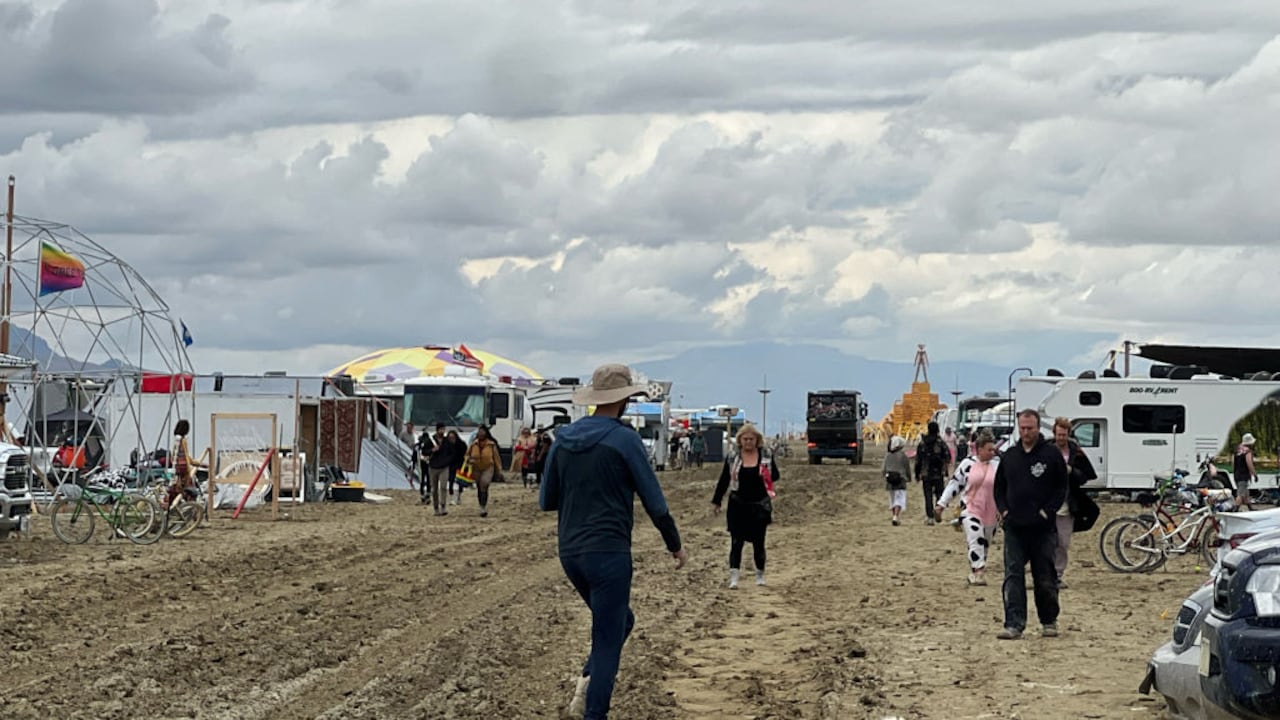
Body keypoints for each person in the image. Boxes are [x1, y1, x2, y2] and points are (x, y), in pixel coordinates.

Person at [539, 363, 686, 720]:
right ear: (624, 401)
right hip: (609, 553)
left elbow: (547, 501)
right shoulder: (625, 440)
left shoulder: (563, 440)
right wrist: (674, 543)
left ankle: (586, 683)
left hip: (570, 551)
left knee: (621, 622)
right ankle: (594, 712)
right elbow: (655, 501)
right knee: (607, 639)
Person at [993, 409, 1068, 640]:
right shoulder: (1010, 456)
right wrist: (1004, 510)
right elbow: (999, 488)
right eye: (1023, 428)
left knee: (1044, 576)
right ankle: (1014, 623)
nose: (1026, 432)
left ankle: (1048, 620)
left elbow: (1061, 487)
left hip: (1042, 529)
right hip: (1015, 527)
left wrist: (1048, 511)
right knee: (1013, 575)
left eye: (1030, 428)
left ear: (1038, 428)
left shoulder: (1051, 454)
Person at [711, 424, 778, 588]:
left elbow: (775, 475)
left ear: (757, 441)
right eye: (745, 439)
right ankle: (734, 577)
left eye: (751, 439)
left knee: (759, 542)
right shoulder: (733, 456)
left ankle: (760, 575)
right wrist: (717, 500)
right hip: (737, 505)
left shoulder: (766, 455)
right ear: (740, 440)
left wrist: (766, 474)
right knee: (736, 542)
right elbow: (724, 479)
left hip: (759, 505)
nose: (748, 442)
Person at [937, 432, 999, 585]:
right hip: (970, 508)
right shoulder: (968, 464)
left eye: (993, 450)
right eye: (989, 450)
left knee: (985, 542)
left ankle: (975, 569)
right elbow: (955, 484)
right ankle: (979, 572)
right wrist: (941, 504)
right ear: (979, 449)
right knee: (975, 537)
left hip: (991, 511)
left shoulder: (998, 465)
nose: (992, 453)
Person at [1050, 417, 1097, 589]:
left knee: (1063, 542)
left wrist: (1072, 472)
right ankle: (1044, 574)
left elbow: (1088, 475)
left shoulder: (1076, 451)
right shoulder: (1046, 449)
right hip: (1047, 504)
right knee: (1046, 542)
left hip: (1069, 503)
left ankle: (1057, 575)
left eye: (1064, 435)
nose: (1061, 438)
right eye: (1058, 435)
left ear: (1068, 434)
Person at [915, 421, 951, 525]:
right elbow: (948, 457)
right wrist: (944, 468)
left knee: (928, 495)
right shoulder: (940, 443)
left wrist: (917, 474)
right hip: (938, 473)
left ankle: (929, 517)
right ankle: (937, 510)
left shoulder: (922, 443)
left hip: (926, 473)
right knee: (939, 494)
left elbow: (918, 460)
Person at [427, 424, 464, 516]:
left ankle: (443, 506)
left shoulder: (447, 441)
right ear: (437, 430)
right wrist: (432, 450)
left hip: (444, 467)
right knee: (434, 489)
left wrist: (447, 461)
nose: (442, 431)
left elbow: (452, 453)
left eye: (443, 429)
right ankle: (436, 508)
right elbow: (424, 451)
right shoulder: (430, 440)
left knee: (443, 486)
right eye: (440, 429)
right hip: (433, 467)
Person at [465, 425, 502, 517]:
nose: (480, 433)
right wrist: (469, 460)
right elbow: (466, 455)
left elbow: (496, 458)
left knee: (484, 484)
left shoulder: (491, 444)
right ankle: (481, 505)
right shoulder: (473, 444)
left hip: (488, 466)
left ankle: (483, 506)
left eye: (482, 431)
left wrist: (498, 470)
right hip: (476, 467)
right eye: (479, 432)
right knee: (479, 486)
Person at [165, 419, 200, 509]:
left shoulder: (176, 440)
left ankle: (169, 507)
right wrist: (193, 464)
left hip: (176, 469)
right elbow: (186, 455)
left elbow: (174, 455)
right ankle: (193, 511)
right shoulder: (183, 441)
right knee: (190, 492)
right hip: (183, 470)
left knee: (176, 490)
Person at [882, 435, 911, 526]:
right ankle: (896, 516)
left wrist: (885, 475)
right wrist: (909, 478)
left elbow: (883, 469)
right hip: (901, 479)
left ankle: (894, 515)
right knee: (900, 498)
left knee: (892, 498)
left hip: (890, 479)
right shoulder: (903, 456)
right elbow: (907, 468)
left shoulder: (888, 455)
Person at [1235, 432, 1258, 510]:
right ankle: (1235, 509)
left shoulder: (1238, 450)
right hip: (1243, 475)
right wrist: (1255, 474)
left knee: (1246, 493)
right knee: (1241, 494)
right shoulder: (1248, 452)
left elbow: (1233, 462)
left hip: (1237, 474)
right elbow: (1249, 464)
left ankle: (1250, 508)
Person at [415, 426, 438, 504]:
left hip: (423, 462)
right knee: (427, 479)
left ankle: (424, 495)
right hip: (426, 462)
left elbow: (415, 454)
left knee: (423, 479)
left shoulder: (420, 444)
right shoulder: (428, 443)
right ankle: (426, 495)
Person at [447, 430, 467, 506]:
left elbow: (465, 454)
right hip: (450, 465)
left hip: (460, 465)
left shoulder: (461, 444)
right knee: (451, 481)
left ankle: (459, 497)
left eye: (452, 437)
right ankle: (451, 497)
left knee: (460, 482)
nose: (451, 439)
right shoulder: (447, 445)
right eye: (450, 438)